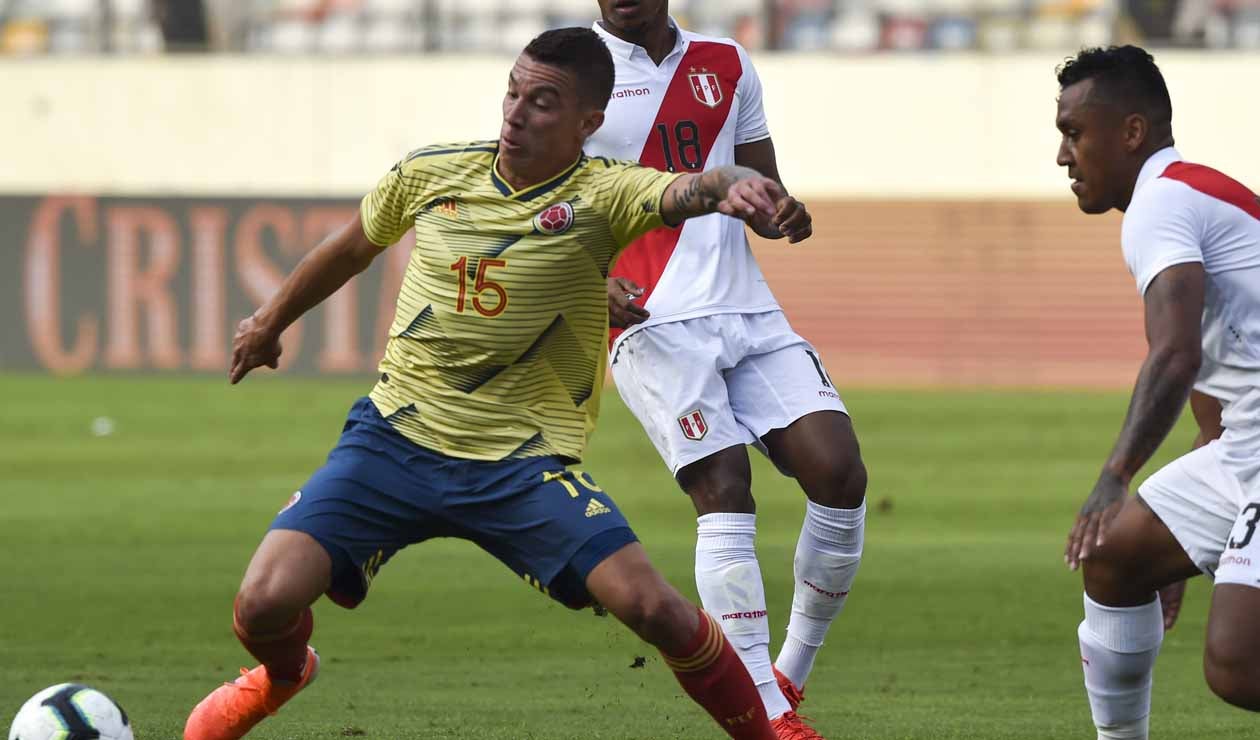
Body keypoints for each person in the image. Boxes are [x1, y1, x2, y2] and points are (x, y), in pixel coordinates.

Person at [182, 27, 798, 740]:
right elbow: (351, 246)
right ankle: (282, 676)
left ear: (588, 123)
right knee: (262, 602)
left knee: (654, 608)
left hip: (522, 467)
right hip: (392, 443)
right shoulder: (431, 172)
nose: (515, 113)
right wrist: (268, 323)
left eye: (543, 102)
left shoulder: (604, 194)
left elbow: (695, 186)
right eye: (513, 91)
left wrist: (735, 185)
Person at [583, 2, 868, 737]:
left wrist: (782, 213)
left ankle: (788, 676)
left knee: (839, 474)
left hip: (747, 310)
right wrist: (586, 281)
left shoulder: (726, 63)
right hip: (650, 321)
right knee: (725, 490)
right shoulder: (569, 65)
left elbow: (761, 185)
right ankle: (767, 719)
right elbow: (539, 196)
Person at [1057, 45, 1260, 739]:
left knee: (1238, 667)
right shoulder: (1183, 195)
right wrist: (1180, 537)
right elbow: (1222, 368)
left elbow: (1174, 354)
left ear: (1132, 132)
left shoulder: (1161, 204)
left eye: (1074, 132)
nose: (1063, 155)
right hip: (1245, 448)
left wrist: (1118, 474)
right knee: (1116, 556)